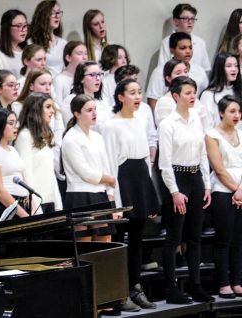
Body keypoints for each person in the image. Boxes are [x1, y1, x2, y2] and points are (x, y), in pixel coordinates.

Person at [101, 79, 158, 311]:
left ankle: (135, 287)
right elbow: (110, 162)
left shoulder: (141, 119)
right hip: (123, 180)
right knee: (120, 242)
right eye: (132, 93)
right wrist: (113, 197)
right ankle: (119, 292)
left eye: (139, 92)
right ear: (120, 96)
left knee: (137, 240)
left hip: (141, 178)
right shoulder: (110, 125)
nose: (137, 97)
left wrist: (150, 192)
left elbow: (145, 157)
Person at [158, 76, 214, 304]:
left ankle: (196, 284)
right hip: (177, 179)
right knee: (174, 236)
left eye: (194, 92)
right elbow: (165, 163)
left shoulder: (196, 119)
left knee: (195, 236)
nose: (192, 97)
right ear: (175, 96)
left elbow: (202, 153)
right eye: (187, 93)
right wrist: (173, 191)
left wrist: (207, 184)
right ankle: (171, 288)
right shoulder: (167, 124)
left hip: (195, 178)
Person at [61, 94, 116, 241]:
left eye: (95, 109)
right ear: (77, 114)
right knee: (84, 245)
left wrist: (110, 192)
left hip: (99, 193)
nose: (94, 113)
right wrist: (109, 180)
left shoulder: (97, 137)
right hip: (79, 195)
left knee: (105, 242)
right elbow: (84, 172)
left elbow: (106, 166)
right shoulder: (70, 138)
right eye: (89, 110)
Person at [205, 95, 242, 299]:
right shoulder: (212, 135)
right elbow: (218, 168)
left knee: (239, 239)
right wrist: (236, 190)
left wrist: (241, 189)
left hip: (241, 191)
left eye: (238, 111)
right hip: (222, 189)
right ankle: (224, 283)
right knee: (224, 239)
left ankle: (237, 281)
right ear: (221, 113)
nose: (236, 115)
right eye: (232, 111)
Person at [0, 108, 32, 223]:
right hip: (3, 207)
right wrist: (24, 215)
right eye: (11, 123)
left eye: (16, 123)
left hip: (21, 205)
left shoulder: (12, 150)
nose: (16, 127)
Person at [15, 93, 62, 213]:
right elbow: (25, 174)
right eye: (48, 107)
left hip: (49, 200)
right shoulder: (25, 136)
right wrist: (35, 206)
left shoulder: (44, 136)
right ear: (36, 109)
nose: (52, 111)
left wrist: (57, 203)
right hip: (36, 204)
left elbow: (50, 173)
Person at [147, 32, 208, 110]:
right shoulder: (159, 72)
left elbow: (203, 97)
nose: (188, 51)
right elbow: (153, 100)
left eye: (190, 47)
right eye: (183, 48)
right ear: (172, 50)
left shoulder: (199, 70)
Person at [154, 59, 210, 130]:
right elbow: (164, 129)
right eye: (178, 73)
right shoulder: (164, 102)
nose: (184, 75)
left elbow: (206, 125)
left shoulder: (194, 99)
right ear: (168, 78)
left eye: (185, 71)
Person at [158, 3, 211, 72]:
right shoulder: (167, 42)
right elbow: (162, 69)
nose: (190, 22)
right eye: (186, 18)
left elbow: (205, 69)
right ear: (176, 21)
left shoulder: (200, 42)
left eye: (192, 19)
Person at [62, 61, 110, 130]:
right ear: (81, 79)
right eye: (92, 75)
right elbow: (71, 126)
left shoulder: (103, 102)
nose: (98, 78)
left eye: (99, 74)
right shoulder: (71, 100)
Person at [200, 53, 242, 128]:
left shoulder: (238, 91)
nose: (234, 69)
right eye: (229, 66)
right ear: (220, 69)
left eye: (236, 66)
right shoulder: (208, 94)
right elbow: (206, 126)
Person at [0, 9, 27, 82]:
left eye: (25, 25)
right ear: (7, 28)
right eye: (19, 26)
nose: (23, 30)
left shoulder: (27, 49)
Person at [29, 0, 67, 77]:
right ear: (43, 16)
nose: (57, 16)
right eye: (52, 13)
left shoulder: (63, 43)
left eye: (58, 12)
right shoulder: (31, 42)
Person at [53, 41, 87, 105]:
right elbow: (57, 105)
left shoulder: (86, 77)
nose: (84, 57)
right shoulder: (59, 80)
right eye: (80, 54)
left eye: (85, 53)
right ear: (68, 58)